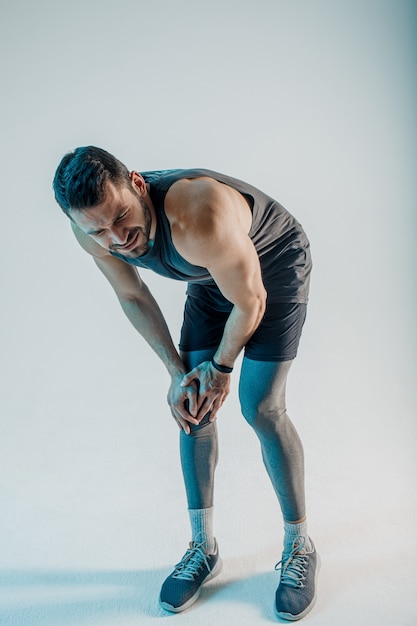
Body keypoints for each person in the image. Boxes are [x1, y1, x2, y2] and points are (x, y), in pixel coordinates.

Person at [53, 146, 319, 621]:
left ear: (136, 183)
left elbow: (252, 301)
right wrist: (179, 376)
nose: (120, 238)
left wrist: (219, 370)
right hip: (213, 274)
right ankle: (203, 547)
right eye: (100, 230)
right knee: (193, 407)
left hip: (270, 272)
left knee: (259, 406)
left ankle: (300, 545)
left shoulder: (196, 215)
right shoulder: (91, 229)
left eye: (121, 216)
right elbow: (132, 293)